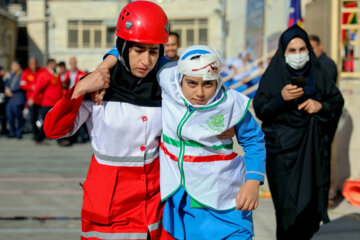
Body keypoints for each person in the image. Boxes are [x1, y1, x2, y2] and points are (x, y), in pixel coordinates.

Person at [43, 1, 170, 239]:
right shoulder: (97, 85)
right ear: (123, 48)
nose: (146, 61)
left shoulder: (166, 85)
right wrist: (78, 90)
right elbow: (54, 130)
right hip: (109, 205)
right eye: (138, 50)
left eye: (153, 52)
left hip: (153, 204)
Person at [157, 45, 266, 239]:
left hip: (225, 199)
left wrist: (252, 182)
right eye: (191, 83)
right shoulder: (166, 82)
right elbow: (135, 50)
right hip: (182, 201)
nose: (199, 92)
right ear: (179, 79)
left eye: (208, 84)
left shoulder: (231, 105)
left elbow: (254, 140)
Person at [253, 25, 344, 240]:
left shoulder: (319, 74)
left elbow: (336, 101)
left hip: (312, 154)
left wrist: (319, 106)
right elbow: (260, 108)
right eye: (292, 51)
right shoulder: (274, 76)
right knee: (288, 216)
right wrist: (281, 98)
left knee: (310, 215)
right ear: (283, 52)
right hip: (282, 156)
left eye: (302, 49)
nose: (298, 55)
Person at [28, 59, 62, 144]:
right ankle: (39, 138)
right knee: (47, 123)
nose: (56, 66)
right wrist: (32, 98)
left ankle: (59, 139)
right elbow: (38, 88)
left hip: (56, 102)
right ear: (50, 65)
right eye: (54, 64)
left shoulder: (56, 74)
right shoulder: (44, 75)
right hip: (47, 103)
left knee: (56, 121)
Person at [20, 57, 46, 140]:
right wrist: (31, 87)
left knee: (44, 118)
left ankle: (42, 134)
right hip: (31, 100)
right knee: (32, 118)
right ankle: (36, 134)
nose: (33, 65)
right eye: (31, 63)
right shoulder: (26, 72)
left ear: (37, 63)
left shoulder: (42, 71)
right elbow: (22, 84)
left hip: (42, 100)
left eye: (34, 63)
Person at [4, 60, 26, 139]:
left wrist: (11, 90)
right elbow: (7, 83)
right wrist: (7, 89)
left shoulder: (23, 74)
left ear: (18, 66)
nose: (11, 67)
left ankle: (19, 132)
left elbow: (22, 84)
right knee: (10, 116)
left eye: (13, 65)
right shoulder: (12, 74)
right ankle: (12, 132)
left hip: (17, 98)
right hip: (10, 99)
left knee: (18, 117)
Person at [0, 66, 8, 135]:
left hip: (2, 99)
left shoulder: (3, 78)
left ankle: (4, 129)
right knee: (2, 115)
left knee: (3, 115)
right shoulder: (2, 79)